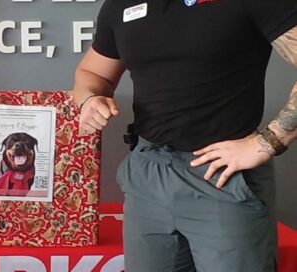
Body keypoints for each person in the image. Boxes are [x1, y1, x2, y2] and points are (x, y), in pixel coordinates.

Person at [72, 0, 297, 271]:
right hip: (147, 173)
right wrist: (90, 98)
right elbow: (92, 73)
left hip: (220, 175)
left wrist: (268, 141)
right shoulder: (121, 5)